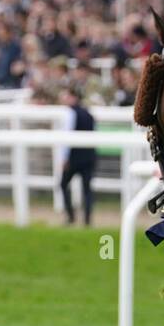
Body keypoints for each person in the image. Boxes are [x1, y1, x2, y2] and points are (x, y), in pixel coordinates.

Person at [57, 86, 98, 226]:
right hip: (89, 156)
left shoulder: (70, 113)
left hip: (74, 158)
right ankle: (87, 219)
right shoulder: (88, 113)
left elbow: (67, 137)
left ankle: (71, 216)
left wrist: (64, 158)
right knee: (87, 189)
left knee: (63, 184)